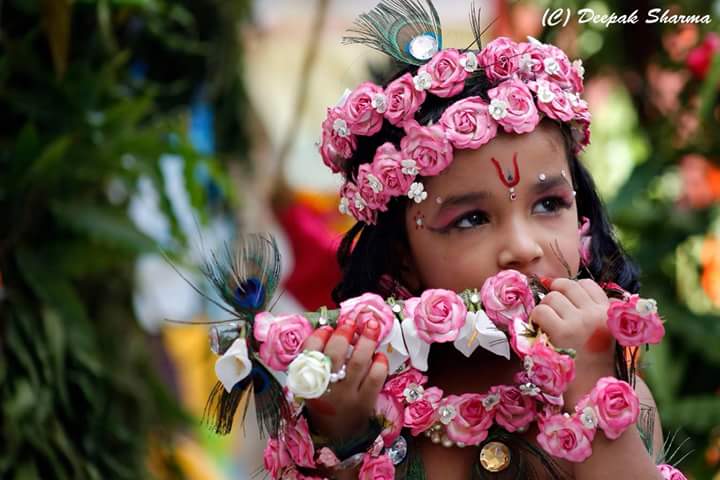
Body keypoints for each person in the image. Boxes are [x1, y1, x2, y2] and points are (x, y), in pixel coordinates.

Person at [296, 1, 667, 478]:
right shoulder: (372, 396)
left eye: (549, 204)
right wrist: (344, 431)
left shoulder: (613, 384)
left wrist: (593, 392)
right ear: (401, 255)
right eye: (471, 219)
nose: (523, 248)